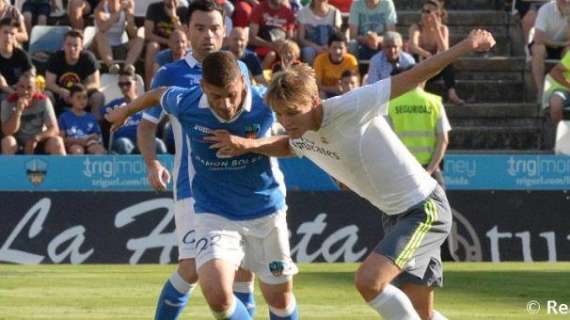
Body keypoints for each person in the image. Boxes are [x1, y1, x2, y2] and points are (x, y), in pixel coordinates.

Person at [207, 29, 495, 320]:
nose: (285, 121)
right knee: (423, 314)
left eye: (292, 112)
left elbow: (416, 74)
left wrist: (466, 45)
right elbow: (288, 146)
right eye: (279, 114)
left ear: (314, 101)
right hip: (394, 215)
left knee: (369, 282)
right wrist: (249, 145)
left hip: (424, 209)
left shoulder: (351, 106)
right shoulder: (301, 132)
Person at [107, 50, 299, 320]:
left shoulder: (265, 101)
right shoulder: (187, 102)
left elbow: (295, 145)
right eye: (216, 97)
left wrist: (248, 145)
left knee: (279, 300)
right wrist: (127, 110)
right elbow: (157, 94)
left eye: (231, 94)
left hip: (265, 211)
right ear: (203, 88)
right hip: (214, 213)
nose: (226, 105)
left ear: (243, 83)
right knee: (217, 295)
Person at [137, 1, 257, 318]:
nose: (208, 35)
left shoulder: (240, 70)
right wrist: (152, 163)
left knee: (246, 268)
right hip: (193, 188)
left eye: (215, 28)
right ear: (187, 31)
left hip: (239, 184)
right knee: (191, 268)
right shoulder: (171, 73)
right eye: (200, 28)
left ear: (225, 30)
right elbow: (147, 126)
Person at [388, 66, 450, 188]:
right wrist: (430, 171)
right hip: (429, 169)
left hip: (401, 169)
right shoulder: (435, 102)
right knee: (438, 206)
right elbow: (444, 140)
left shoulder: (391, 104)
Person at [408, 0, 464, 105]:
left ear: (437, 14)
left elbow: (445, 51)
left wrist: (437, 29)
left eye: (428, 11)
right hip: (419, 67)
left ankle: (452, 93)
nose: (424, 14)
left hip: (435, 69)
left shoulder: (443, 29)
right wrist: (427, 54)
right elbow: (412, 46)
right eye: (423, 11)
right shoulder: (416, 27)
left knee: (448, 62)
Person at [102, 69, 167, 154]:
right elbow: (103, 119)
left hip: (144, 138)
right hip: (124, 140)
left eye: (127, 84)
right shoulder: (114, 105)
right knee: (123, 143)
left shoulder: (146, 102)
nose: (124, 87)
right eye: (121, 84)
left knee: (158, 143)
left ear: (135, 84)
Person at [1, 71, 66, 155]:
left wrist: (36, 138)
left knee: (57, 141)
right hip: (17, 144)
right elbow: (7, 132)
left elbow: (54, 129)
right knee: (7, 142)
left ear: (35, 89)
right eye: (22, 87)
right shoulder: (7, 102)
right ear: (16, 87)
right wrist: (18, 111)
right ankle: (10, 168)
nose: (25, 91)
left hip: (39, 142)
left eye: (29, 88)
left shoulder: (43, 101)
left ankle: (62, 168)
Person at [45, 30, 105, 119]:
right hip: (61, 96)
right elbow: (49, 83)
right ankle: (51, 126)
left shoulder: (88, 58)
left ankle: (95, 127)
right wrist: (61, 91)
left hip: (82, 97)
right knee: (46, 95)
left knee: (98, 97)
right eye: (68, 45)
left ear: (81, 47)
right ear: (63, 45)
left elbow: (95, 83)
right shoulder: (55, 58)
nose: (72, 48)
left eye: (75, 45)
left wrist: (78, 94)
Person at [143, 0, 189, 88]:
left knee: (183, 47)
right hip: (160, 42)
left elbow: (186, 36)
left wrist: (174, 16)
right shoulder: (154, 8)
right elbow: (148, 34)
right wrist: (168, 42)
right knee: (152, 46)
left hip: (179, 44)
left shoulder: (184, 11)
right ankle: (149, 87)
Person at [531, 0, 570, 96]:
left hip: (564, 45)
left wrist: (569, 20)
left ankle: (566, 89)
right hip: (546, 44)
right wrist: (561, 44)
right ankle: (540, 91)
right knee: (538, 50)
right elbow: (538, 38)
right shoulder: (545, 9)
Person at [93, 0, 144, 73]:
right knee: (99, 35)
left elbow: (133, 34)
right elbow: (102, 28)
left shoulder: (128, 4)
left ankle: (128, 65)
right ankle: (111, 66)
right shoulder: (100, 7)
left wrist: (130, 20)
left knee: (141, 35)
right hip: (100, 46)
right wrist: (119, 11)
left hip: (120, 46)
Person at [58, 84, 106, 155]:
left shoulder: (91, 117)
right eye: (78, 97)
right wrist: (78, 141)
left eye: (85, 97)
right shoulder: (64, 117)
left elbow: (97, 136)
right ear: (71, 99)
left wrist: (88, 138)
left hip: (89, 143)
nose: (82, 100)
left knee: (99, 150)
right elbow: (62, 139)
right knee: (77, 151)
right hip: (73, 144)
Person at [249, 0, 296, 69]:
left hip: (281, 46)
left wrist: (284, 47)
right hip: (263, 44)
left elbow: (290, 38)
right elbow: (252, 38)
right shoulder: (259, 8)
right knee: (271, 55)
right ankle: (258, 76)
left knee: (289, 55)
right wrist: (270, 45)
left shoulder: (288, 12)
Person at [313, 31, 358, 98]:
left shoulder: (351, 60)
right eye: (334, 47)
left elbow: (355, 83)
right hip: (326, 92)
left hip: (345, 92)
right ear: (329, 48)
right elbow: (317, 85)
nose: (337, 51)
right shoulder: (320, 60)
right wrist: (333, 89)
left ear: (346, 48)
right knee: (321, 94)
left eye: (341, 48)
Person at [296, 0, 342, 65]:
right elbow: (301, 38)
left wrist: (328, 47)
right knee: (308, 52)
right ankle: (310, 73)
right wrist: (317, 47)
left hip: (330, 47)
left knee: (336, 51)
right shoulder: (303, 12)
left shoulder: (335, 12)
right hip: (311, 47)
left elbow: (337, 37)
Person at [0, 18, 33, 101]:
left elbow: (30, 75)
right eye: (5, 32)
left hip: (21, 91)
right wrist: (17, 96)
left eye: (12, 34)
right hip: (4, 94)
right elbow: (3, 85)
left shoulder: (22, 55)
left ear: (15, 36)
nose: (8, 36)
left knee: (47, 96)